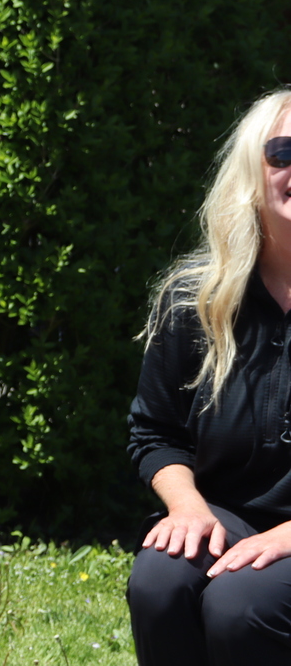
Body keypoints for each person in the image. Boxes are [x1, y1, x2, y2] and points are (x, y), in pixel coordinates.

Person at [128, 88, 291, 663]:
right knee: (159, 582)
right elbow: (155, 432)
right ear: (254, 167)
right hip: (223, 515)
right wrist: (188, 508)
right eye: (284, 152)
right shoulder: (195, 300)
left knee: (241, 604)